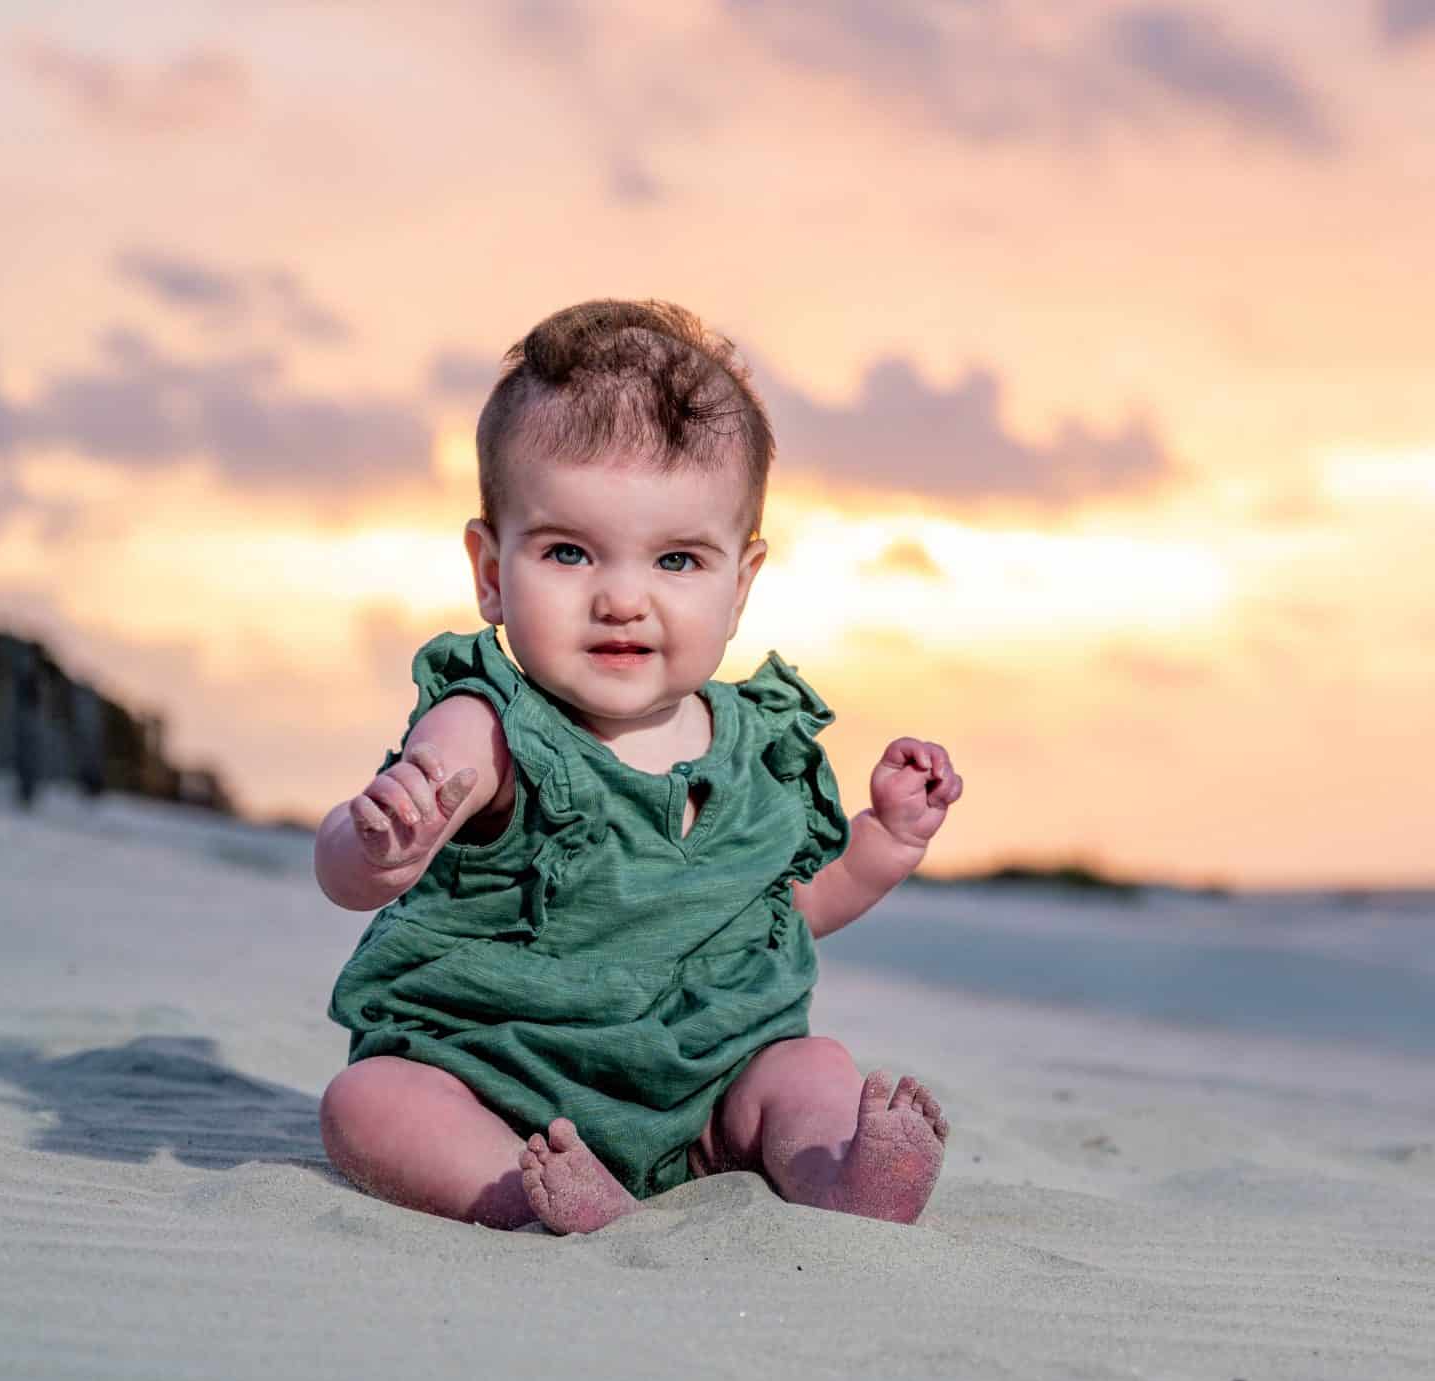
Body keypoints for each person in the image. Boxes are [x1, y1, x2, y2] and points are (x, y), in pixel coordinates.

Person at [315, 301, 964, 1235]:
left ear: (741, 584)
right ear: (491, 569)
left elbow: (785, 910)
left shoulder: (759, 747)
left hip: (707, 1086)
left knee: (807, 1068)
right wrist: (377, 845)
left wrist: (886, 841)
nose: (623, 597)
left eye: (676, 559)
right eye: (569, 551)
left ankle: (841, 1179)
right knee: (370, 1102)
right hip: (497, 1078)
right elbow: (346, 862)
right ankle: (525, 1193)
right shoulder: (485, 727)